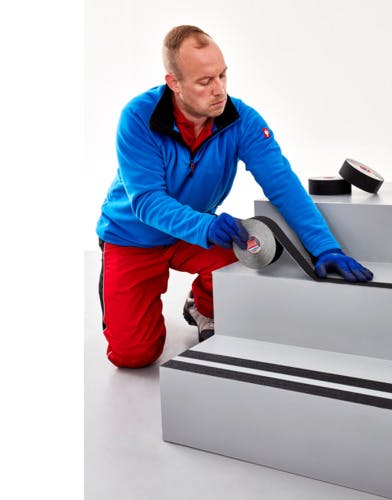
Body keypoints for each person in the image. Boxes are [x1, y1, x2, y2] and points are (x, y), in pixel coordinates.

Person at [96, 25, 373, 369]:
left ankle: (201, 306)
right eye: (204, 81)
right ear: (174, 83)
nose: (219, 90)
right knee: (134, 356)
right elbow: (147, 201)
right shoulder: (138, 118)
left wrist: (325, 247)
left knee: (247, 253)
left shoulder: (242, 120)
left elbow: (283, 186)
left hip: (192, 234)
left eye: (222, 75)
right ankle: (121, 305)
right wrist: (206, 227)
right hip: (133, 236)